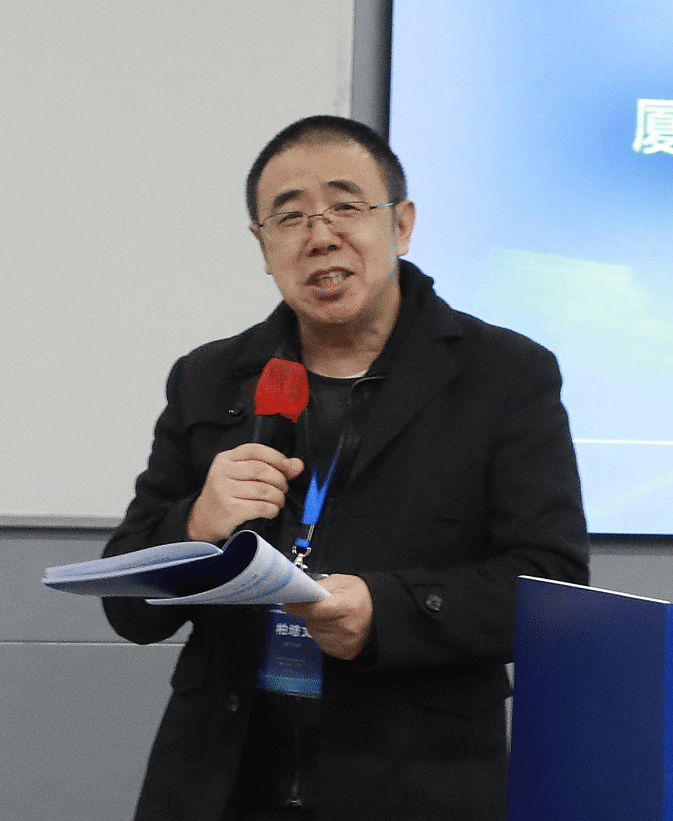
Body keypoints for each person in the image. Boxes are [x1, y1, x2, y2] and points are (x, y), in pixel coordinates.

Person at [103, 115, 589, 821]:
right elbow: (128, 610)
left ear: (402, 225)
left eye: (345, 206)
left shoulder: (503, 376)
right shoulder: (209, 378)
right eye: (290, 217)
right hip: (223, 788)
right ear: (263, 247)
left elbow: (551, 587)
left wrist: (387, 612)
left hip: (416, 785)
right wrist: (197, 524)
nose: (321, 236)